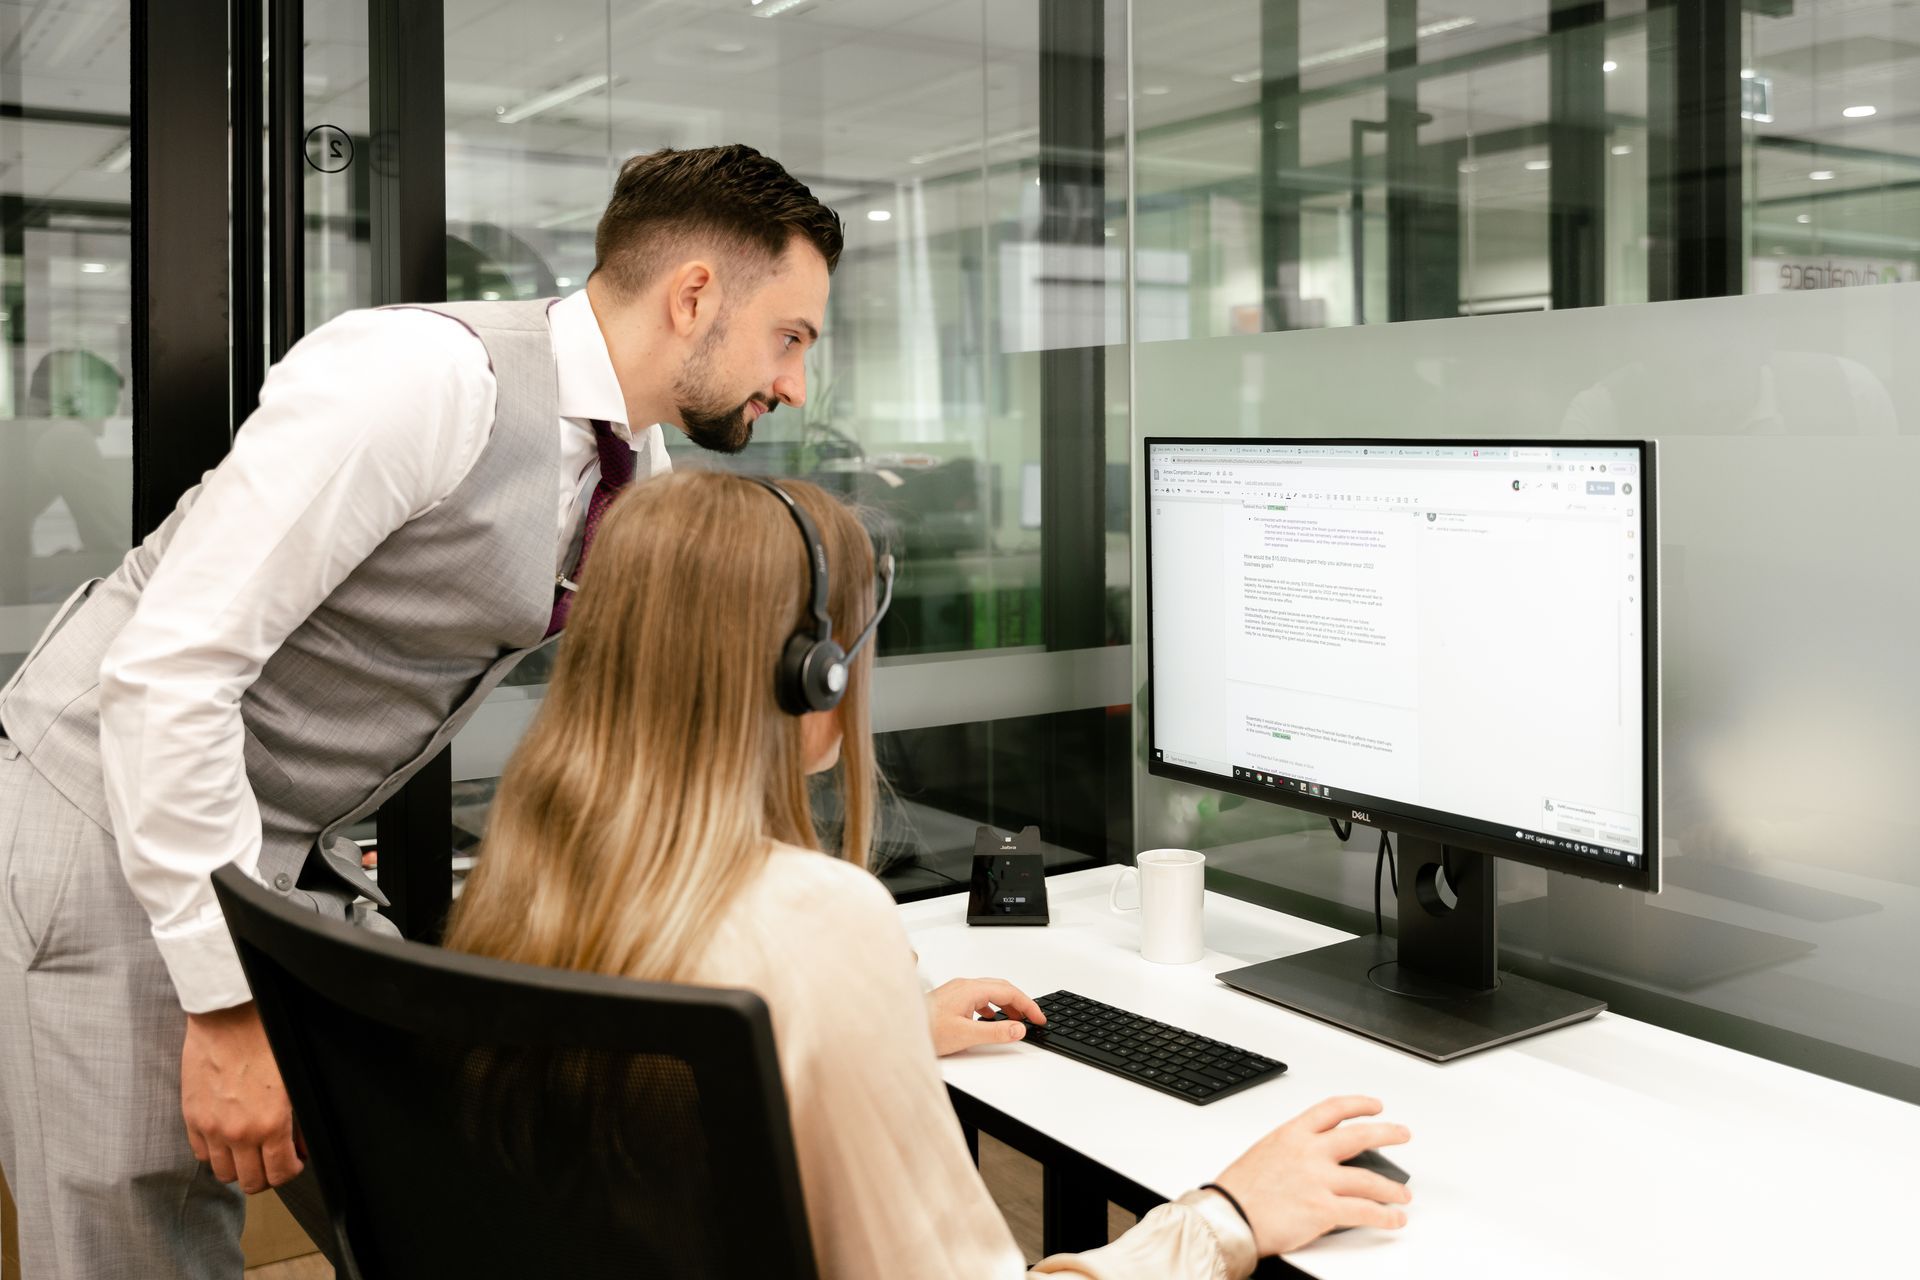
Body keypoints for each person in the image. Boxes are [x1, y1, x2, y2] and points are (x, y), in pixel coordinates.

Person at [0, 144, 847, 1279]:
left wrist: (844, 1001)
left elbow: (642, 739)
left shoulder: (630, 466)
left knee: (403, 1174)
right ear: (695, 294)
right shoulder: (420, 379)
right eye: (791, 337)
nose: (794, 383)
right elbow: (169, 673)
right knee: (142, 1240)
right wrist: (226, 1006)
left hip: (264, 840)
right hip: (101, 811)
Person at [444, 471, 1414, 1278]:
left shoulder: (521, 884)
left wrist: (880, 1024)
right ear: (812, 675)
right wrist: (1230, 1211)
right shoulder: (812, 919)